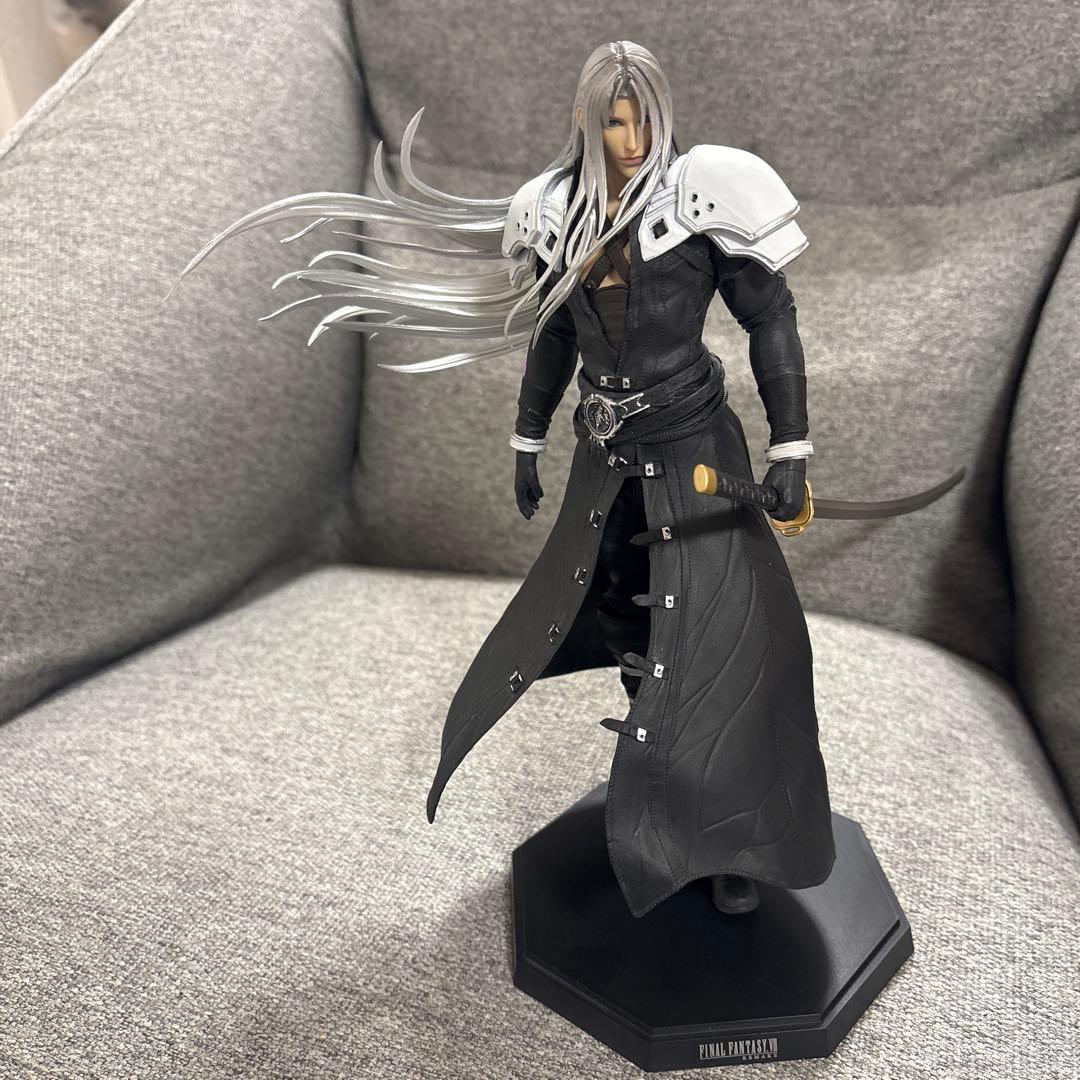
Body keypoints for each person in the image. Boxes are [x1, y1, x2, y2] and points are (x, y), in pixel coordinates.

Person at [168, 40, 836, 920]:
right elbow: (553, 334)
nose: (632, 139)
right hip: (605, 456)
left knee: (727, 633)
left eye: (643, 120)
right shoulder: (553, 211)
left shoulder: (706, 193)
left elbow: (771, 319)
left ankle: (731, 837)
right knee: (623, 606)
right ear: (588, 122)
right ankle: (666, 787)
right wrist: (527, 436)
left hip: (695, 449)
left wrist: (791, 449)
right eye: (615, 121)